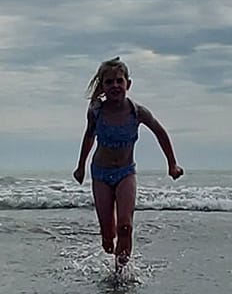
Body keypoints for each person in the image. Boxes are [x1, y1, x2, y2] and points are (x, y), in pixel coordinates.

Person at [74, 58, 180, 266]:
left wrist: (172, 164)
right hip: (101, 174)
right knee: (108, 236)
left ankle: (121, 273)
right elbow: (88, 137)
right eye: (109, 82)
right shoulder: (96, 112)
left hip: (126, 173)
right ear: (102, 86)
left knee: (125, 227)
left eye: (119, 81)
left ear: (128, 84)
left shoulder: (137, 112)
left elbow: (160, 132)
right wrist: (81, 167)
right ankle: (110, 248)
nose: (115, 85)